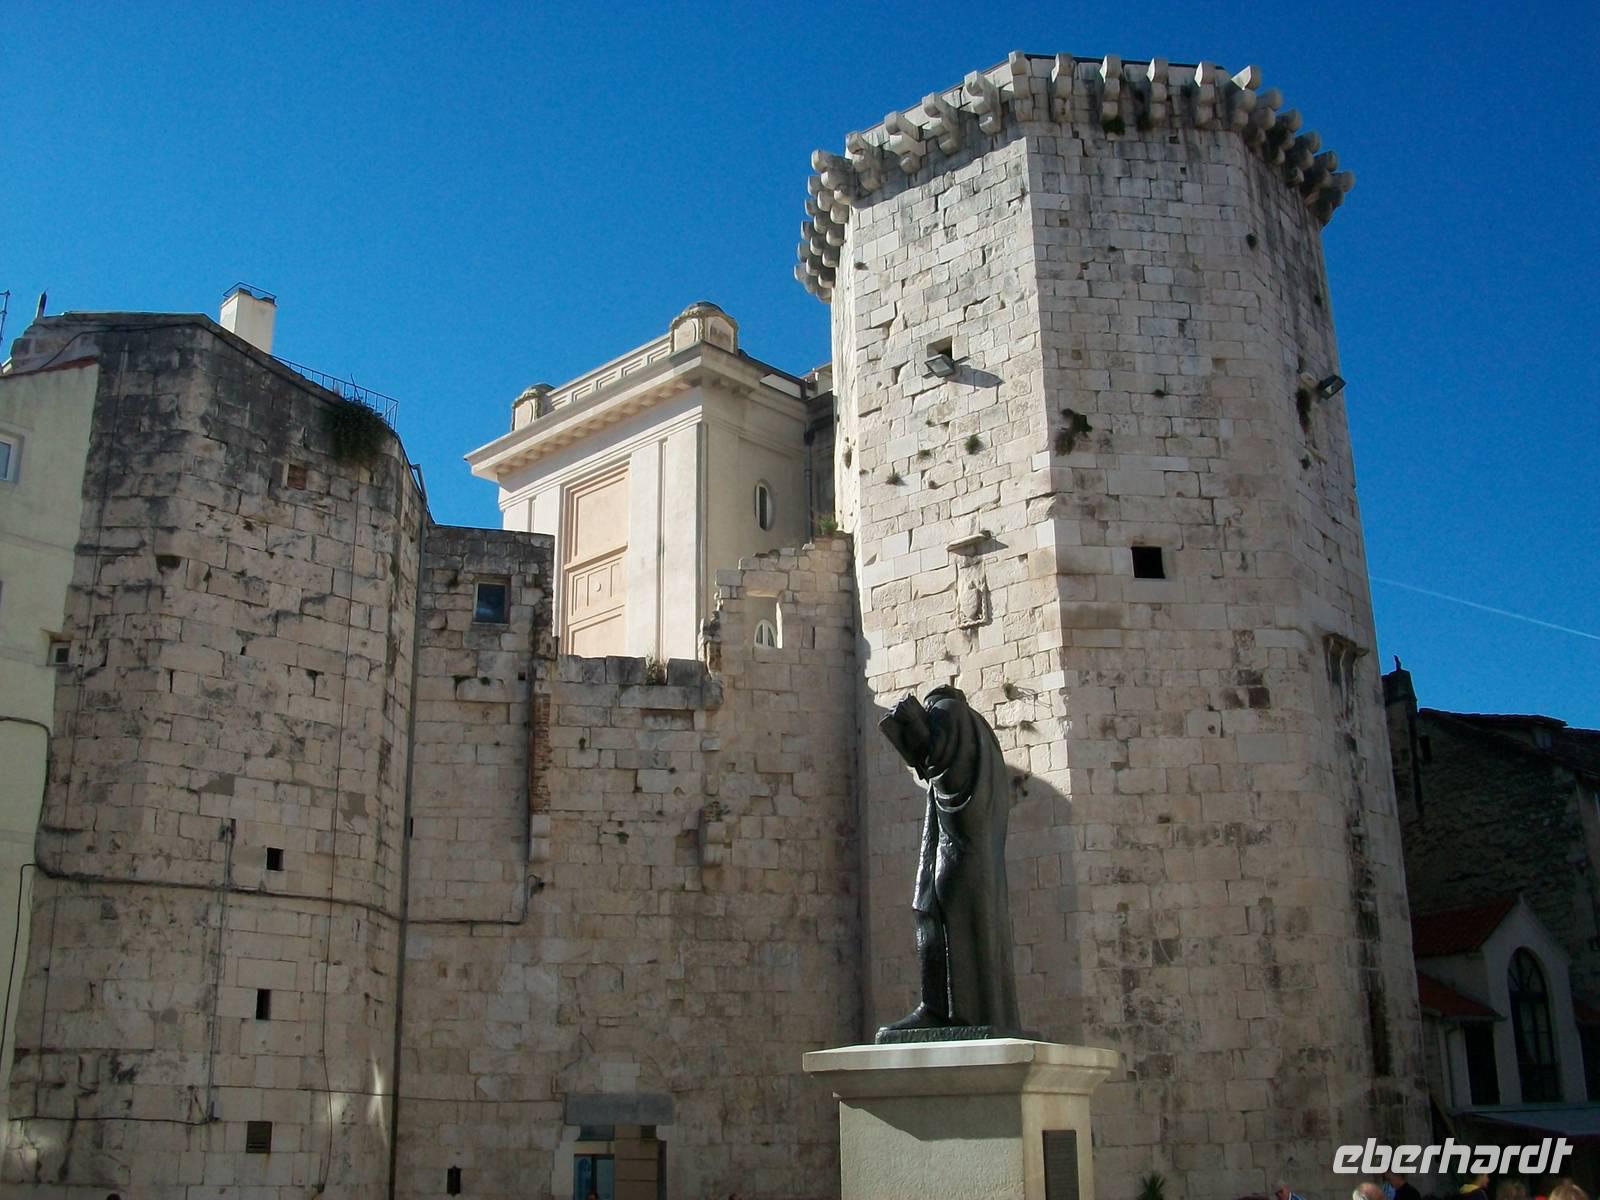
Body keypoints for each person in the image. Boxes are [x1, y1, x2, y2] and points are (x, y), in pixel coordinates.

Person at [877, 686, 1018, 1035]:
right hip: (973, 849)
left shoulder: (947, 711)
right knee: (965, 921)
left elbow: (941, 764)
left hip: (958, 849)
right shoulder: (982, 732)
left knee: (932, 910)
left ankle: (941, 1010)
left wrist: (913, 722)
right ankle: (970, 1011)